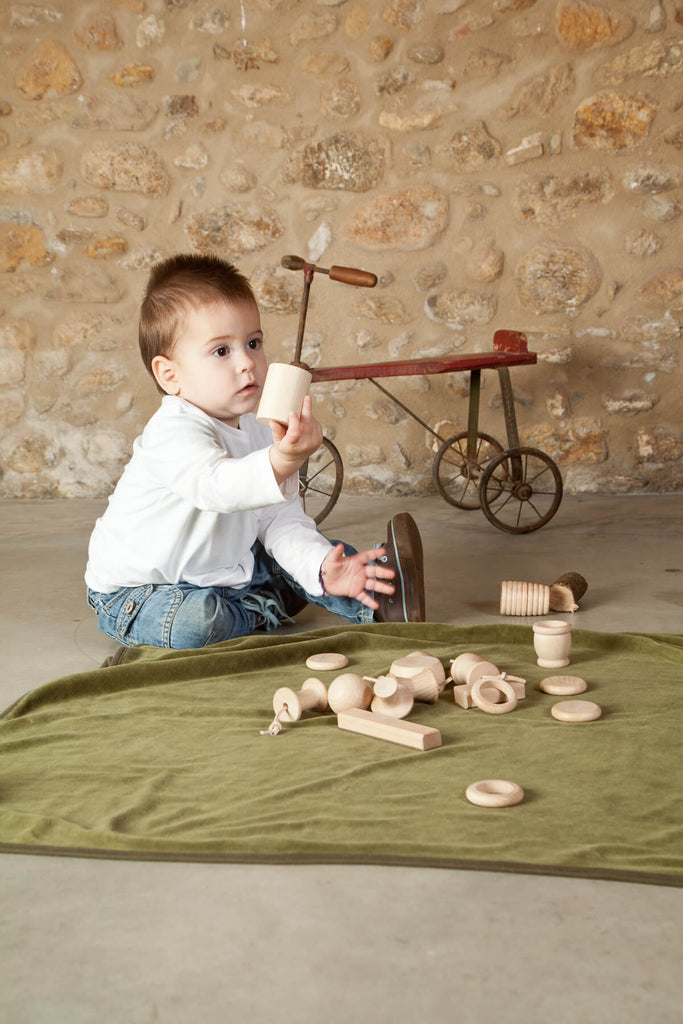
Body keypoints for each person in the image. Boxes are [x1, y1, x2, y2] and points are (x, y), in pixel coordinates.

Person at [85, 253, 425, 650]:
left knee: (320, 558)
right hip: (143, 593)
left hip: (226, 568)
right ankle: (262, 607)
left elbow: (280, 518)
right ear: (170, 375)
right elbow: (217, 487)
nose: (247, 362)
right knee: (197, 621)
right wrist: (283, 461)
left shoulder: (257, 427)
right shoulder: (172, 431)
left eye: (253, 343)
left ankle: (380, 596)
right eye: (221, 351)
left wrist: (318, 565)